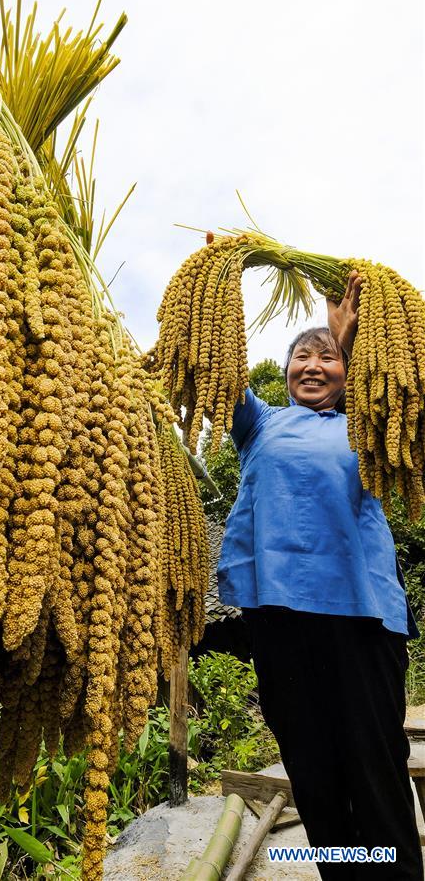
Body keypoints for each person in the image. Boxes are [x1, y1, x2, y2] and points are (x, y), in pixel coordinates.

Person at [217, 271, 424, 879]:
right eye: (301, 357)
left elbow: (398, 400)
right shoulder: (260, 425)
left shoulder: (364, 424)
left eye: (327, 358)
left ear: (346, 371)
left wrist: (350, 337)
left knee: (375, 763)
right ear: (285, 371)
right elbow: (219, 372)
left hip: (363, 615)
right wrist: (222, 283)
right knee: (311, 767)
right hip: (278, 615)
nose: (312, 366)